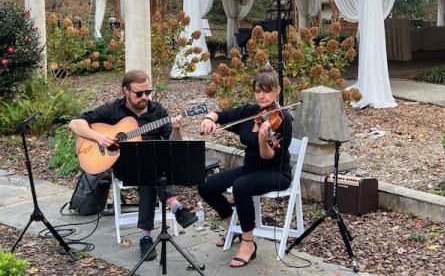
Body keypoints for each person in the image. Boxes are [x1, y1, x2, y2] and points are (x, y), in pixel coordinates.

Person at [69, 69, 197, 261]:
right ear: (126, 91)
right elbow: (75, 123)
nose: (144, 97)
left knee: (150, 168)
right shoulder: (113, 110)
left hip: (151, 169)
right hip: (123, 167)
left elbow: (174, 144)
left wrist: (177, 129)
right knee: (150, 165)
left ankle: (145, 237)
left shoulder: (158, 112)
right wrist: (100, 138)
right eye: (139, 93)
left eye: (148, 92)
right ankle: (175, 206)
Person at [198, 65, 293, 268]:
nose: (262, 95)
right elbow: (219, 115)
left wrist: (262, 138)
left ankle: (248, 243)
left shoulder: (283, 120)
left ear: (277, 91)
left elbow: (268, 156)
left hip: (275, 173)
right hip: (250, 170)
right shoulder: (250, 112)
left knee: (241, 186)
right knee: (206, 185)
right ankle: (236, 222)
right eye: (258, 91)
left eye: (267, 91)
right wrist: (209, 120)